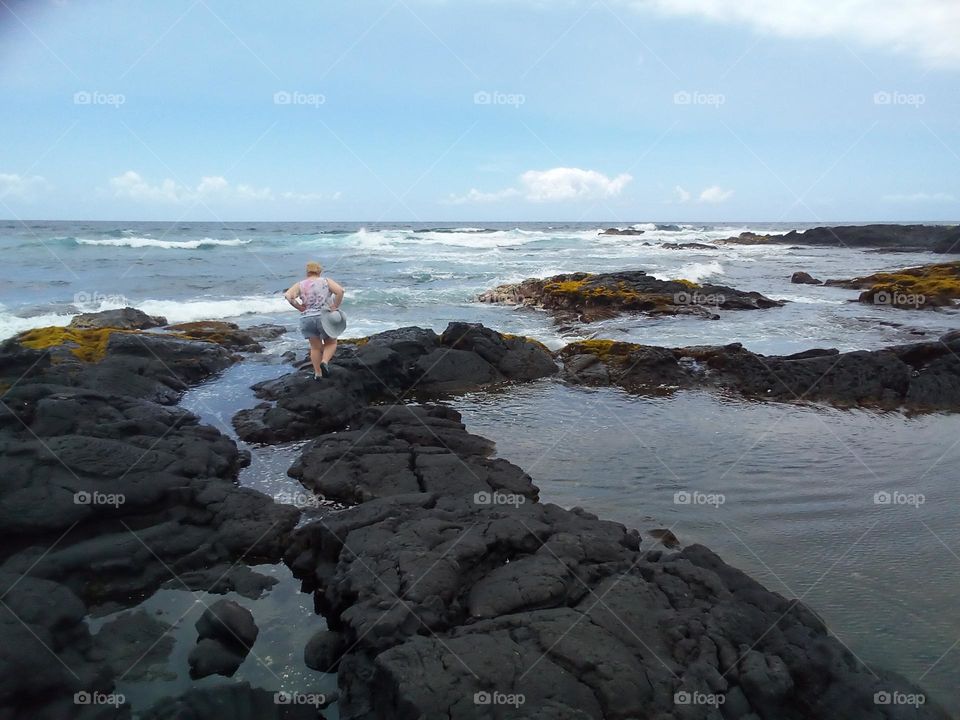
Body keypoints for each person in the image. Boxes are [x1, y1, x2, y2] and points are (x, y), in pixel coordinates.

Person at [285, 261, 344, 380]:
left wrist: (300, 307)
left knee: (315, 347)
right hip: (324, 317)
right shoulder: (326, 281)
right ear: (320, 271)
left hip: (307, 318)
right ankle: (325, 362)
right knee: (331, 342)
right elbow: (340, 291)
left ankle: (317, 373)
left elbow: (288, 296)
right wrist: (335, 306)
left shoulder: (300, 284)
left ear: (307, 272)